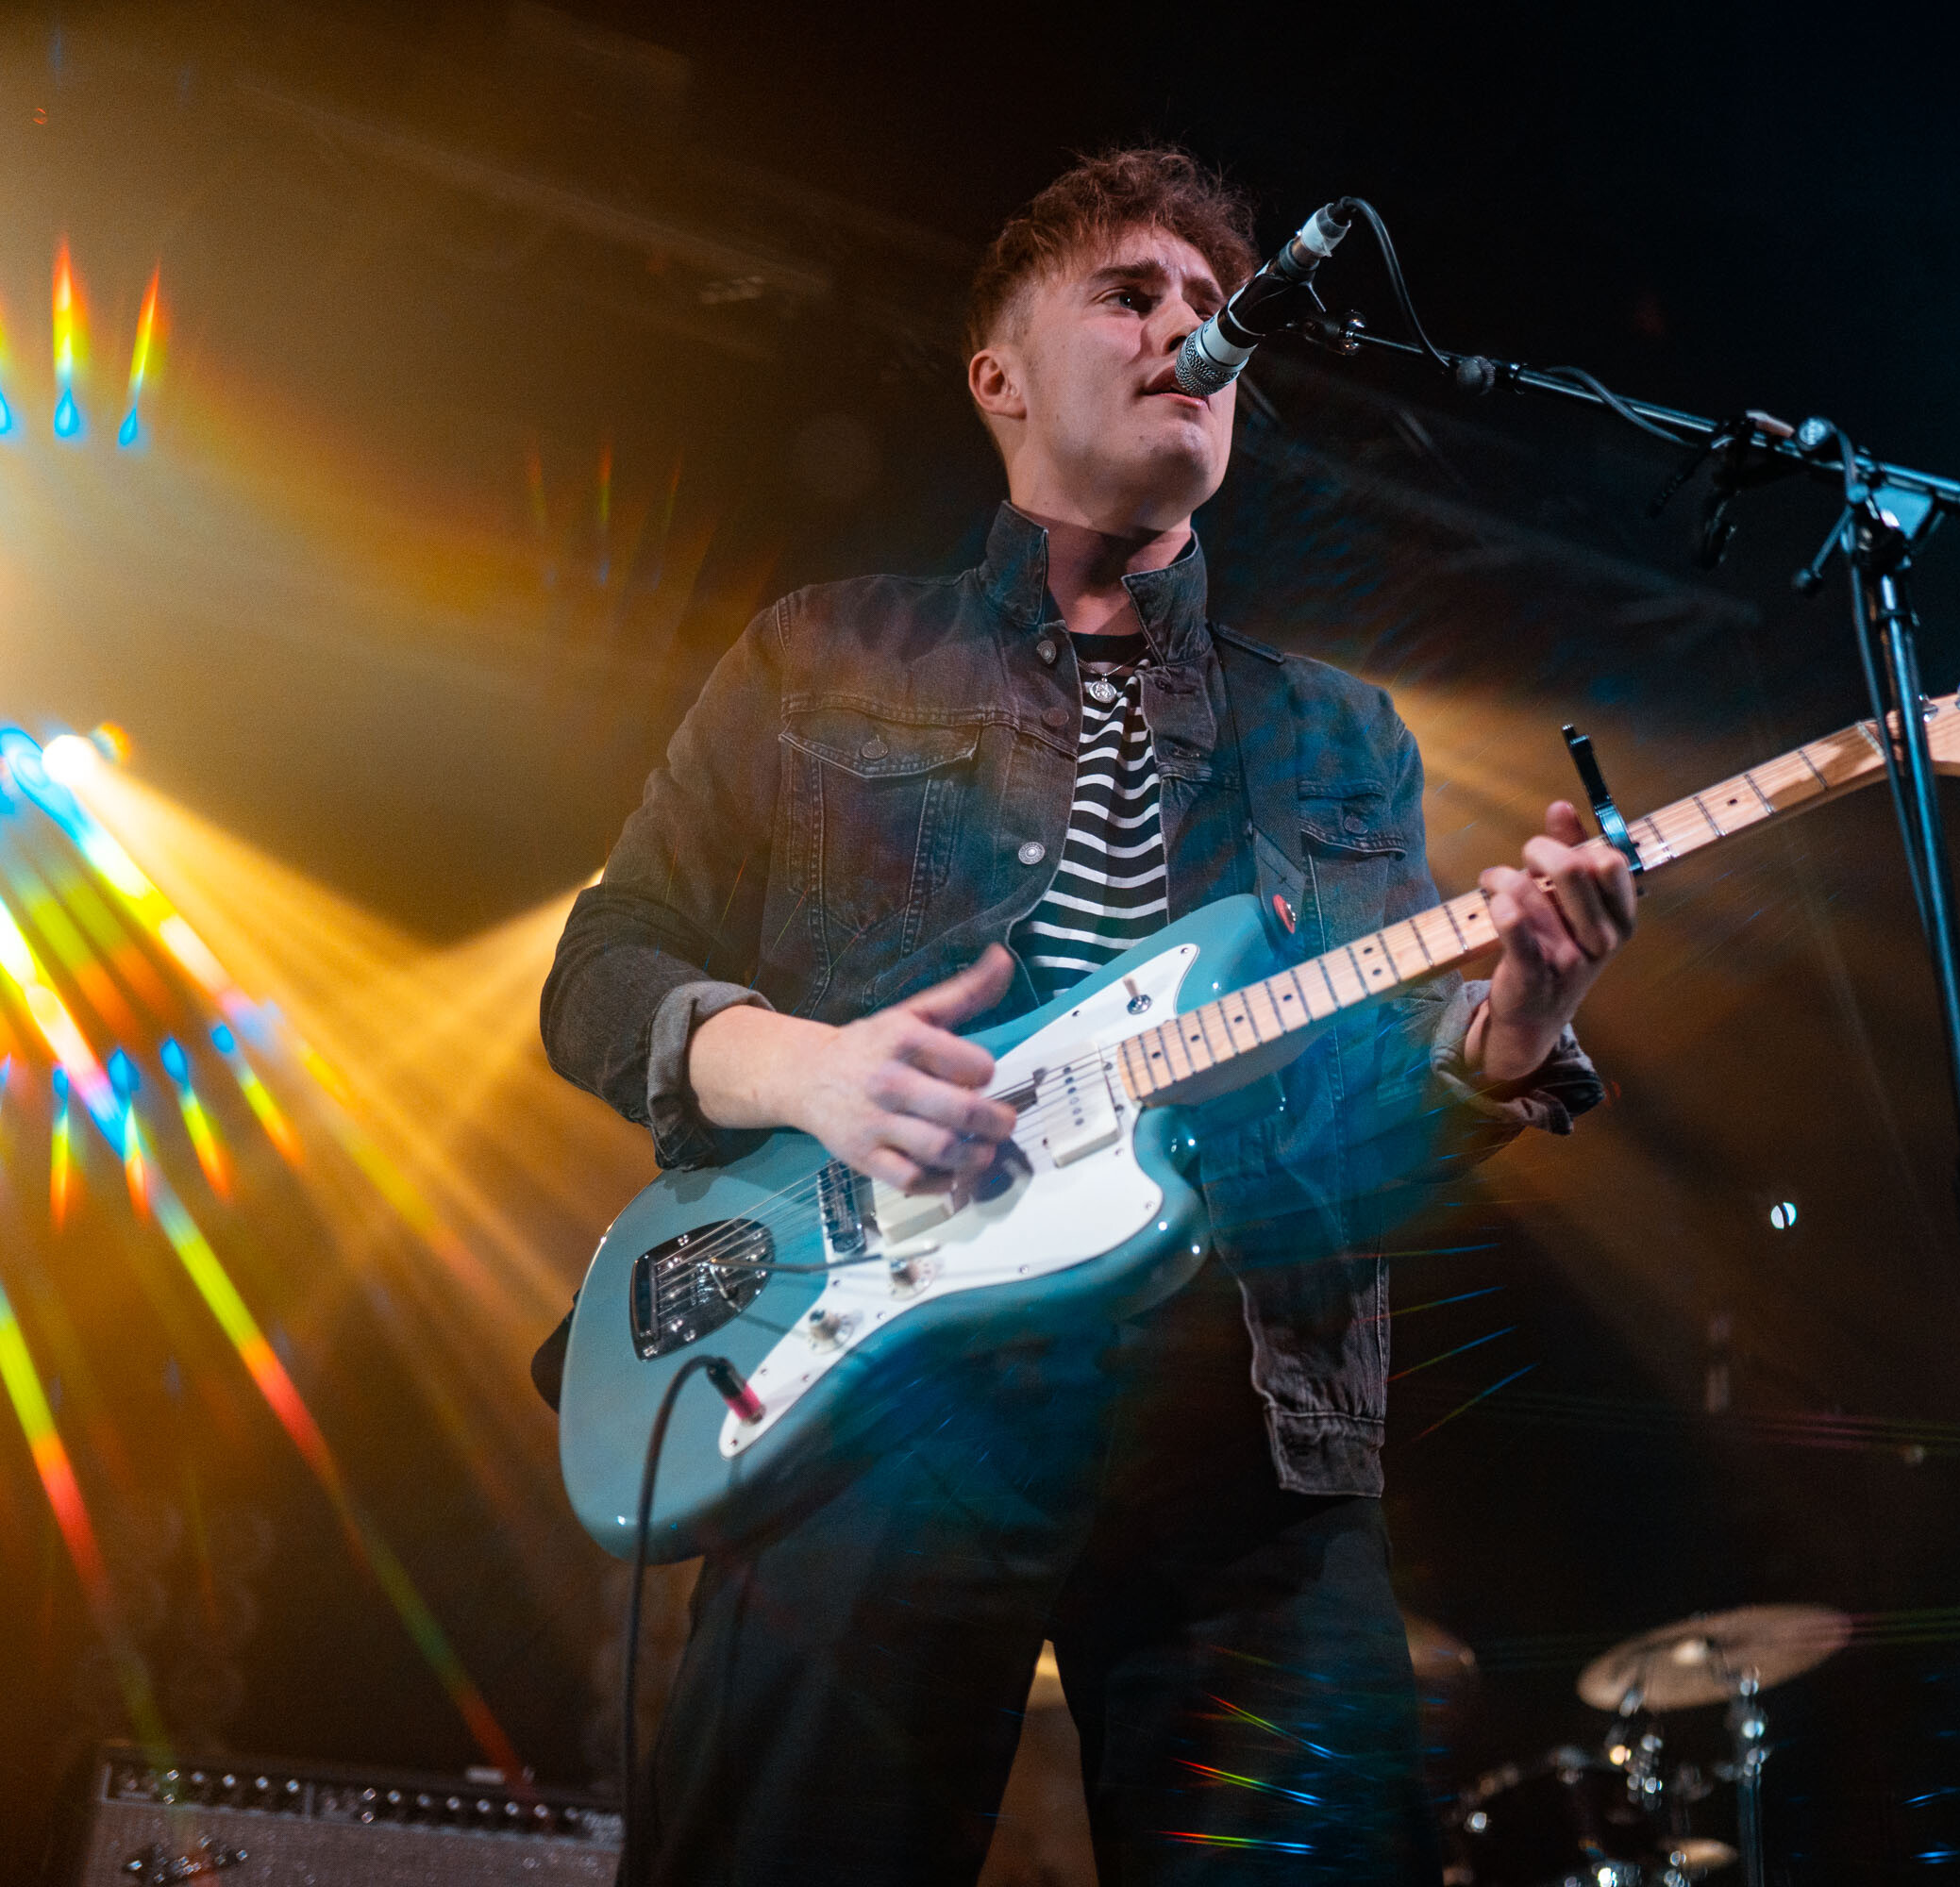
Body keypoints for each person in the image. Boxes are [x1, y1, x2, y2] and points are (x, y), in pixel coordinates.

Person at [542, 146, 1635, 1885]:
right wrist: (809, 1070)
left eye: (1214, 307)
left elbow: (1361, 1156)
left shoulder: (1340, 738)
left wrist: (1507, 1038)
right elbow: (602, 969)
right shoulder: (822, 658)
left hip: (1247, 1436)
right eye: (1130, 294)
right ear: (998, 377)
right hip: (881, 1410)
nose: (1189, 330)